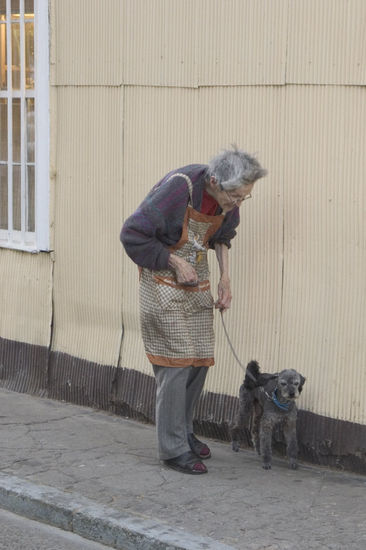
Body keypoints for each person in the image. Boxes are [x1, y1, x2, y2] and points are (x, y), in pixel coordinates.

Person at [120, 146, 267, 474]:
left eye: (245, 198)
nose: (238, 204)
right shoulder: (179, 188)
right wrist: (173, 261)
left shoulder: (229, 198)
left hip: (196, 280)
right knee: (176, 363)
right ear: (215, 181)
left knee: (199, 359)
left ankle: (183, 432)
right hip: (161, 282)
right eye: (237, 197)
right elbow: (132, 235)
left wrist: (225, 278)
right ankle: (172, 449)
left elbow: (223, 236)